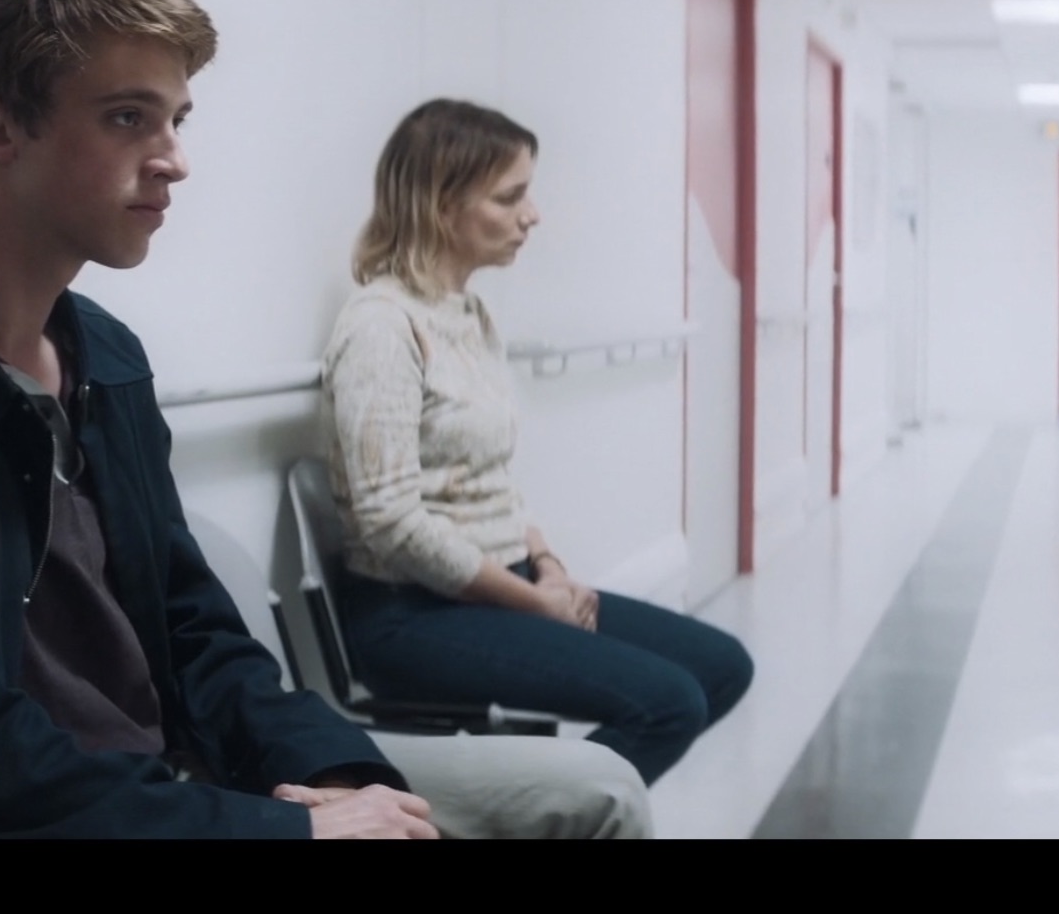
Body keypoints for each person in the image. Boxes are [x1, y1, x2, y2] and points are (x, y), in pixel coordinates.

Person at [0, 0, 649, 839]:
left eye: (177, 120)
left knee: (594, 793)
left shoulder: (108, 357)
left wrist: (334, 779)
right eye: (128, 117)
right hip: (15, 815)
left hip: (172, 779)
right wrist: (279, 828)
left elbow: (197, 633)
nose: (174, 159)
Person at [322, 99, 755, 786]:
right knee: (669, 704)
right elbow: (391, 521)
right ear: (440, 205)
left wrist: (548, 565)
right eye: (510, 197)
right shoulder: (380, 327)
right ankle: (537, 816)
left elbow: (488, 475)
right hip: (411, 614)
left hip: (502, 581)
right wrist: (531, 603)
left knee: (723, 667)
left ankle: (539, 814)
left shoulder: (470, 314)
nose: (533, 215)